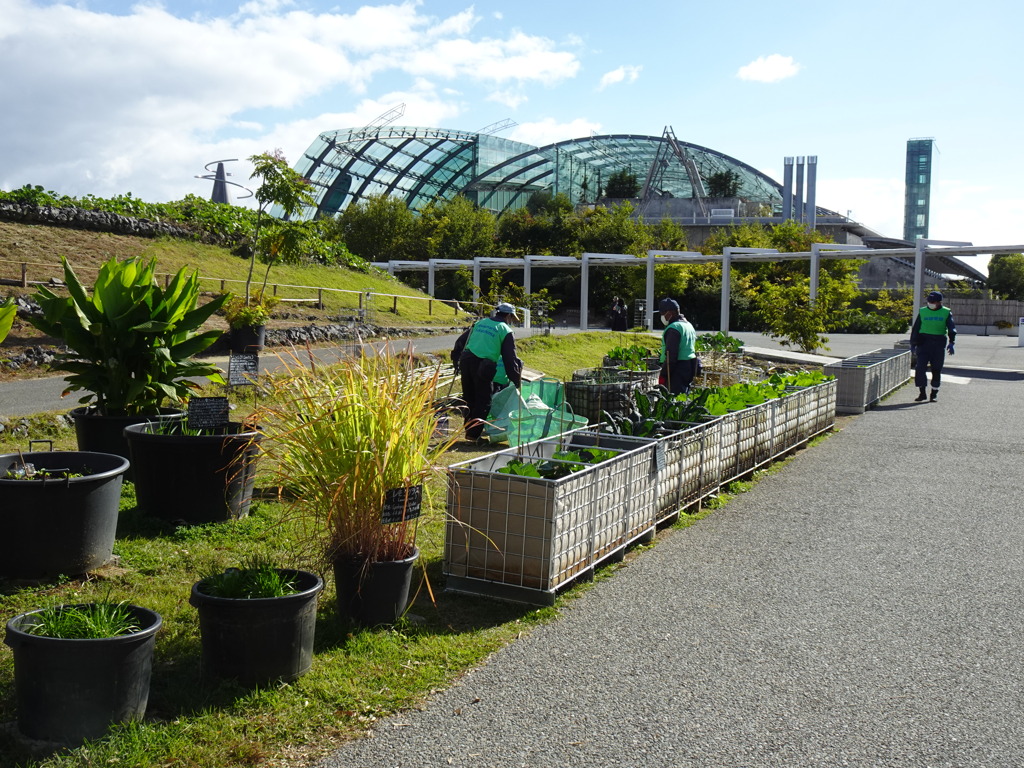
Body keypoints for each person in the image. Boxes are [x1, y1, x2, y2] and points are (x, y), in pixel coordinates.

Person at [459, 302, 523, 440]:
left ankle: (469, 430)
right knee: (484, 401)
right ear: (508, 316)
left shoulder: (481, 323)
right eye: (512, 318)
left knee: (470, 398)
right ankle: (472, 435)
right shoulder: (505, 330)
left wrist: (456, 359)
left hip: (466, 360)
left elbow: (463, 341)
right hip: (483, 365)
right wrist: (516, 380)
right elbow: (509, 359)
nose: (511, 321)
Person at [909, 290, 956, 403]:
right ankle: (922, 393)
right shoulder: (923, 311)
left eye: (933, 302)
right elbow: (916, 328)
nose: (931, 304)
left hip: (938, 342)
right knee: (920, 368)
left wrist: (952, 342)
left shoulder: (946, 312)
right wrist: (913, 344)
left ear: (939, 302)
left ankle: (934, 393)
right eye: (929, 301)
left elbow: (951, 327)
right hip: (924, 342)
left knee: (936, 369)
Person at [658, 297, 698, 395]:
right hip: (689, 366)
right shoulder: (688, 325)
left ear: (670, 313)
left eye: (663, 314)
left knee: (673, 400)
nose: (662, 316)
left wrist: (663, 374)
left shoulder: (674, 329)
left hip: (676, 369)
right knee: (684, 396)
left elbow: (671, 355)